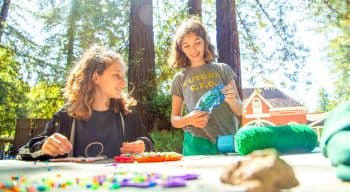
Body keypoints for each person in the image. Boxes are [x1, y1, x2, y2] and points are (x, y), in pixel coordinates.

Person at [17, 46, 154, 161]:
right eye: (116, 75)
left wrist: (144, 146)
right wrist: (43, 147)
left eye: (123, 77)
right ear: (96, 77)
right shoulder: (66, 116)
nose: (124, 83)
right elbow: (22, 153)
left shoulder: (127, 114)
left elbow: (152, 147)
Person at [169, 18, 242, 156]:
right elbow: (174, 119)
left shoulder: (222, 69)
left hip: (227, 139)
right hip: (196, 142)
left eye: (197, 42)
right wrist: (188, 119)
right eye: (186, 45)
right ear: (180, 49)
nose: (193, 49)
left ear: (205, 42)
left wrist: (232, 101)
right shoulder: (179, 78)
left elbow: (239, 110)